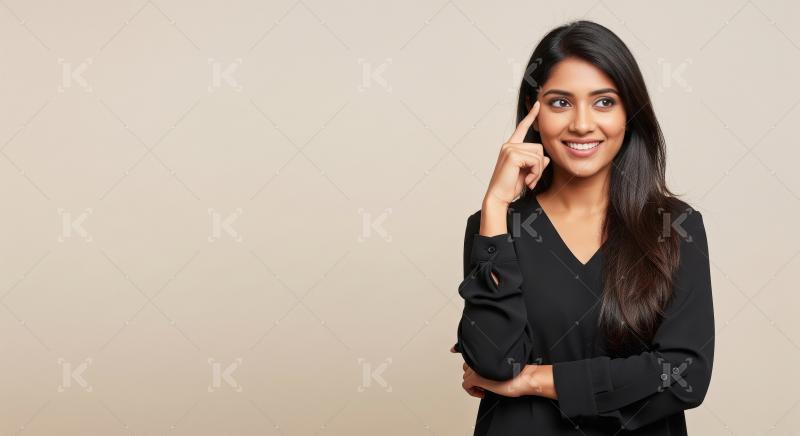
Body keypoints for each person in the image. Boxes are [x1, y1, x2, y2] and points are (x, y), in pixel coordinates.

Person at [450, 20, 714, 435]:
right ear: (533, 113)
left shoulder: (674, 227)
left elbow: (685, 375)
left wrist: (532, 380)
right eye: (559, 103)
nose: (582, 124)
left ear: (630, 111)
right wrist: (496, 204)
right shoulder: (496, 227)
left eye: (604, 102)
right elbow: (492, 362)